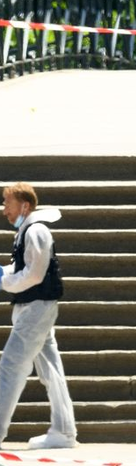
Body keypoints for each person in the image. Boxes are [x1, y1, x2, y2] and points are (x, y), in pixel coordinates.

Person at [0, 182, 77, 449]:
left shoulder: (37, 231)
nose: (4, 210)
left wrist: (4, 281)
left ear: (25, 205)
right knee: (51, 369)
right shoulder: (27, 231)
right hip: (34, 307)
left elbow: (34, 274)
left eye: (7, 203)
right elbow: (23, 267)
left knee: (11, 366)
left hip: (36, 307)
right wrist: (4, 273)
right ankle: (64, 430)